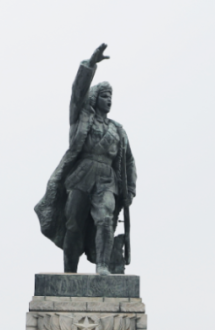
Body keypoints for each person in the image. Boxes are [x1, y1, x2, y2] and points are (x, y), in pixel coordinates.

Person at [35, 43, 137, 275]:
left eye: (111, 97)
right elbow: (77, 92)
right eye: (104, 96)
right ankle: (70, 271)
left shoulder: (118, 130)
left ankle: (102, 266)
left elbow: (128, 161)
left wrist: (129, 188)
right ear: (95, 99)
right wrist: (90, 64)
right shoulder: (80, 118)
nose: (109, 100)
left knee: (105, 218)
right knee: (73, 225)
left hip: (106, 179)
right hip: (81, 175)